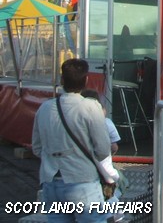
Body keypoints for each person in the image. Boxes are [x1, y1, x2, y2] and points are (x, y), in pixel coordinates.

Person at [32, 58, 112, 222]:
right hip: (82, 180)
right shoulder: (90, 107)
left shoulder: (44, 108)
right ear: (86, 80)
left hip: (50, 181)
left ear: (61, 80)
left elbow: (37, 147)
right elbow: (103, 149)